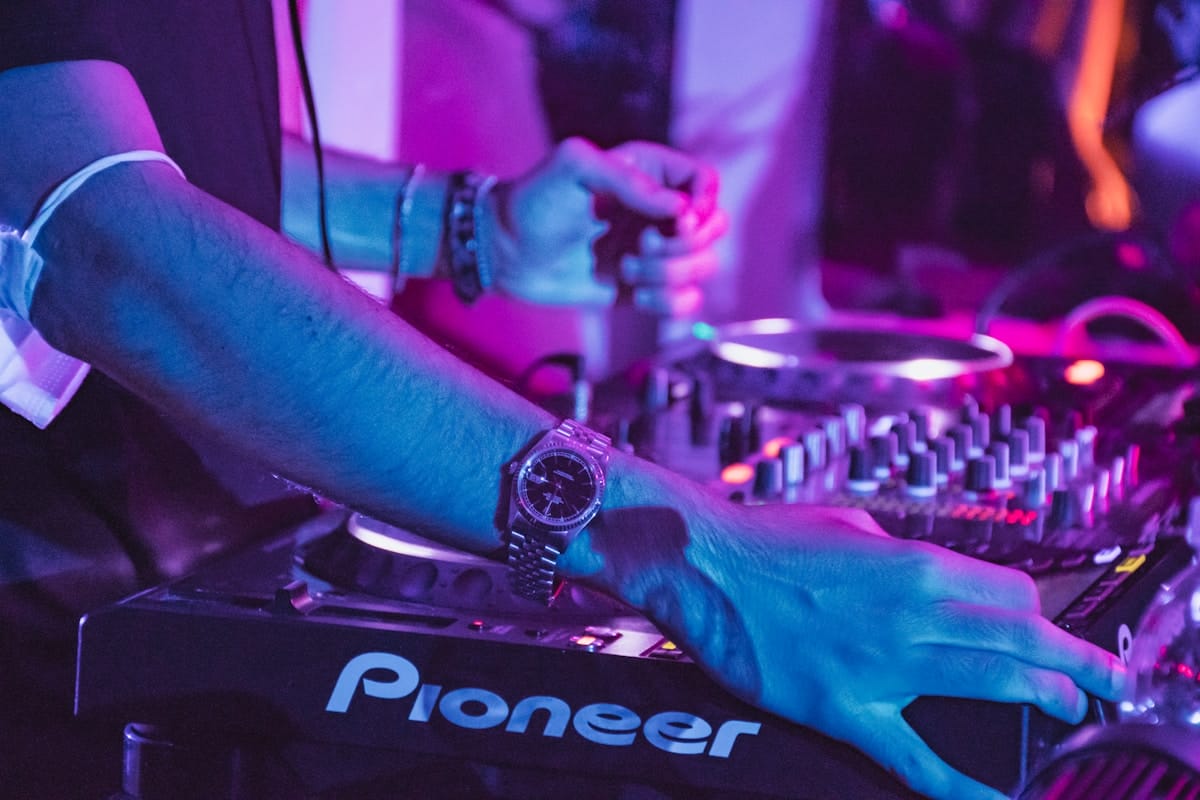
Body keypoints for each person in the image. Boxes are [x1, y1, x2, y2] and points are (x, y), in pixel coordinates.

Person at [0, 3, 1123, 800]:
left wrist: (464, 226)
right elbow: (98, 239)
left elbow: (116, 133)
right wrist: (692, 555)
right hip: (42, 597)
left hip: (180, 515)